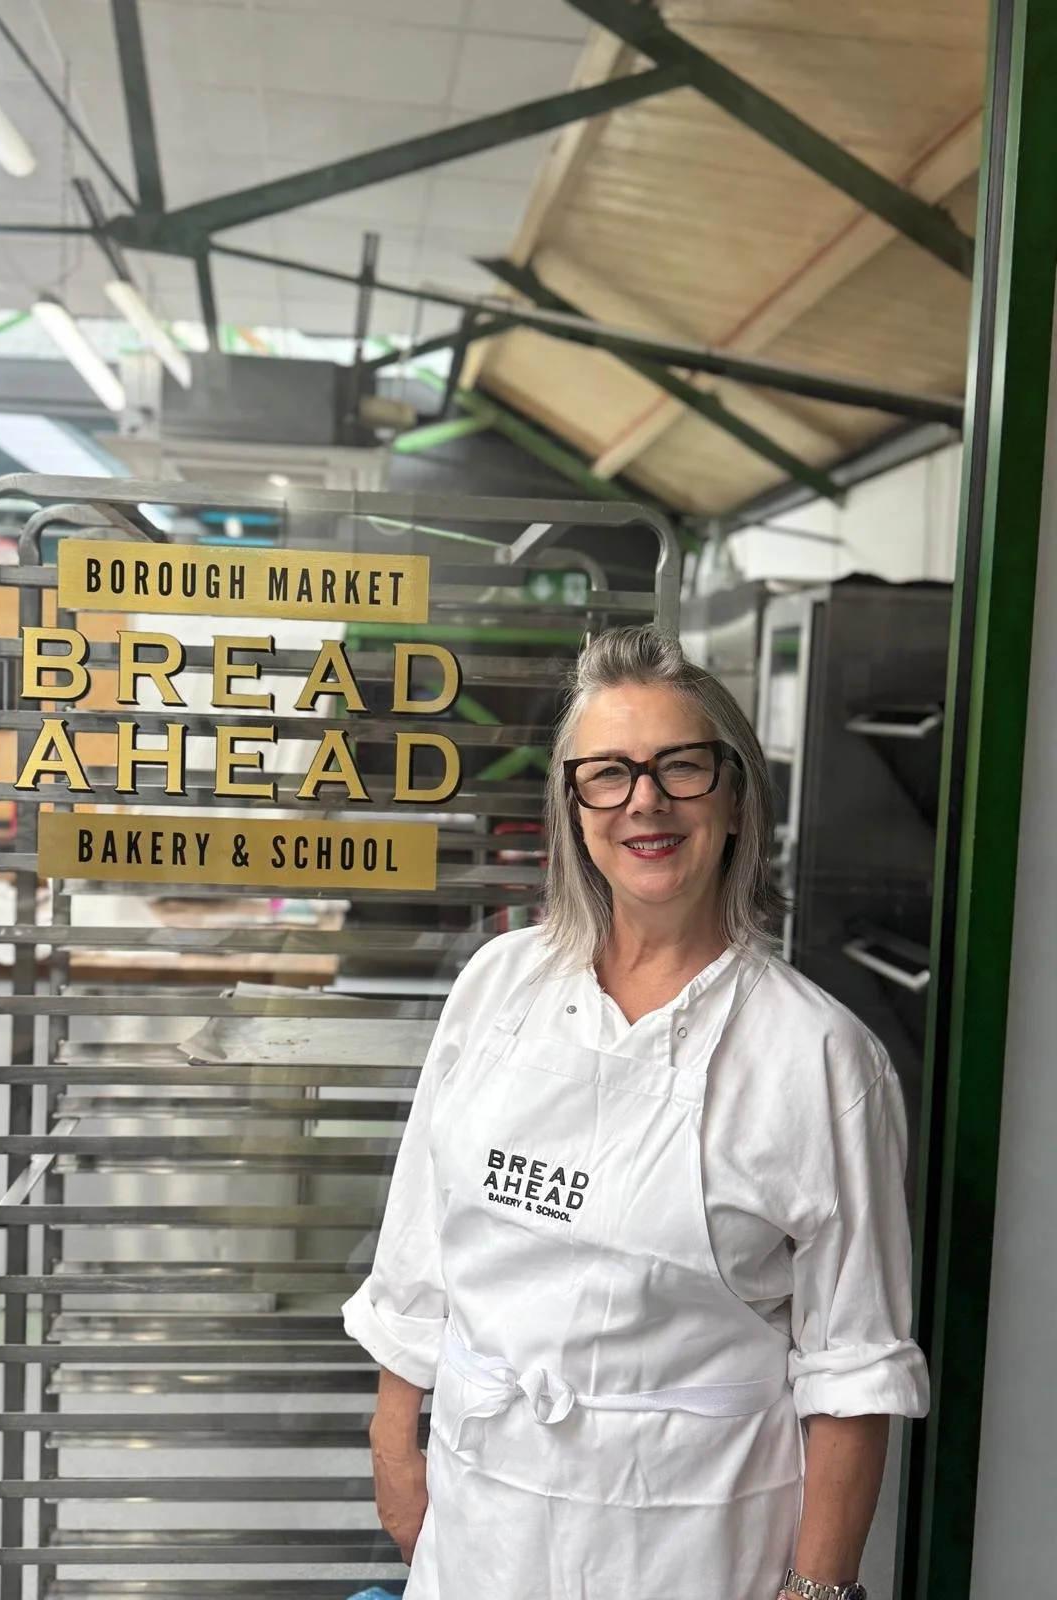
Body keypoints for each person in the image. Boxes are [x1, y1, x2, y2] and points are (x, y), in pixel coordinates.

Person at [343, 624, 929, 1600]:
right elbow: (421, 1240)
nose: (644, 800)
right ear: (574, 808)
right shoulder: (498, 985)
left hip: (687, 1547)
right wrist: (394, 1439)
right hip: (483, 1523)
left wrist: (817, 1591)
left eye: (680, 767)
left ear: (735, 795)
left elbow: (853, 1370)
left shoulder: (820, 1058)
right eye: (607, 773)